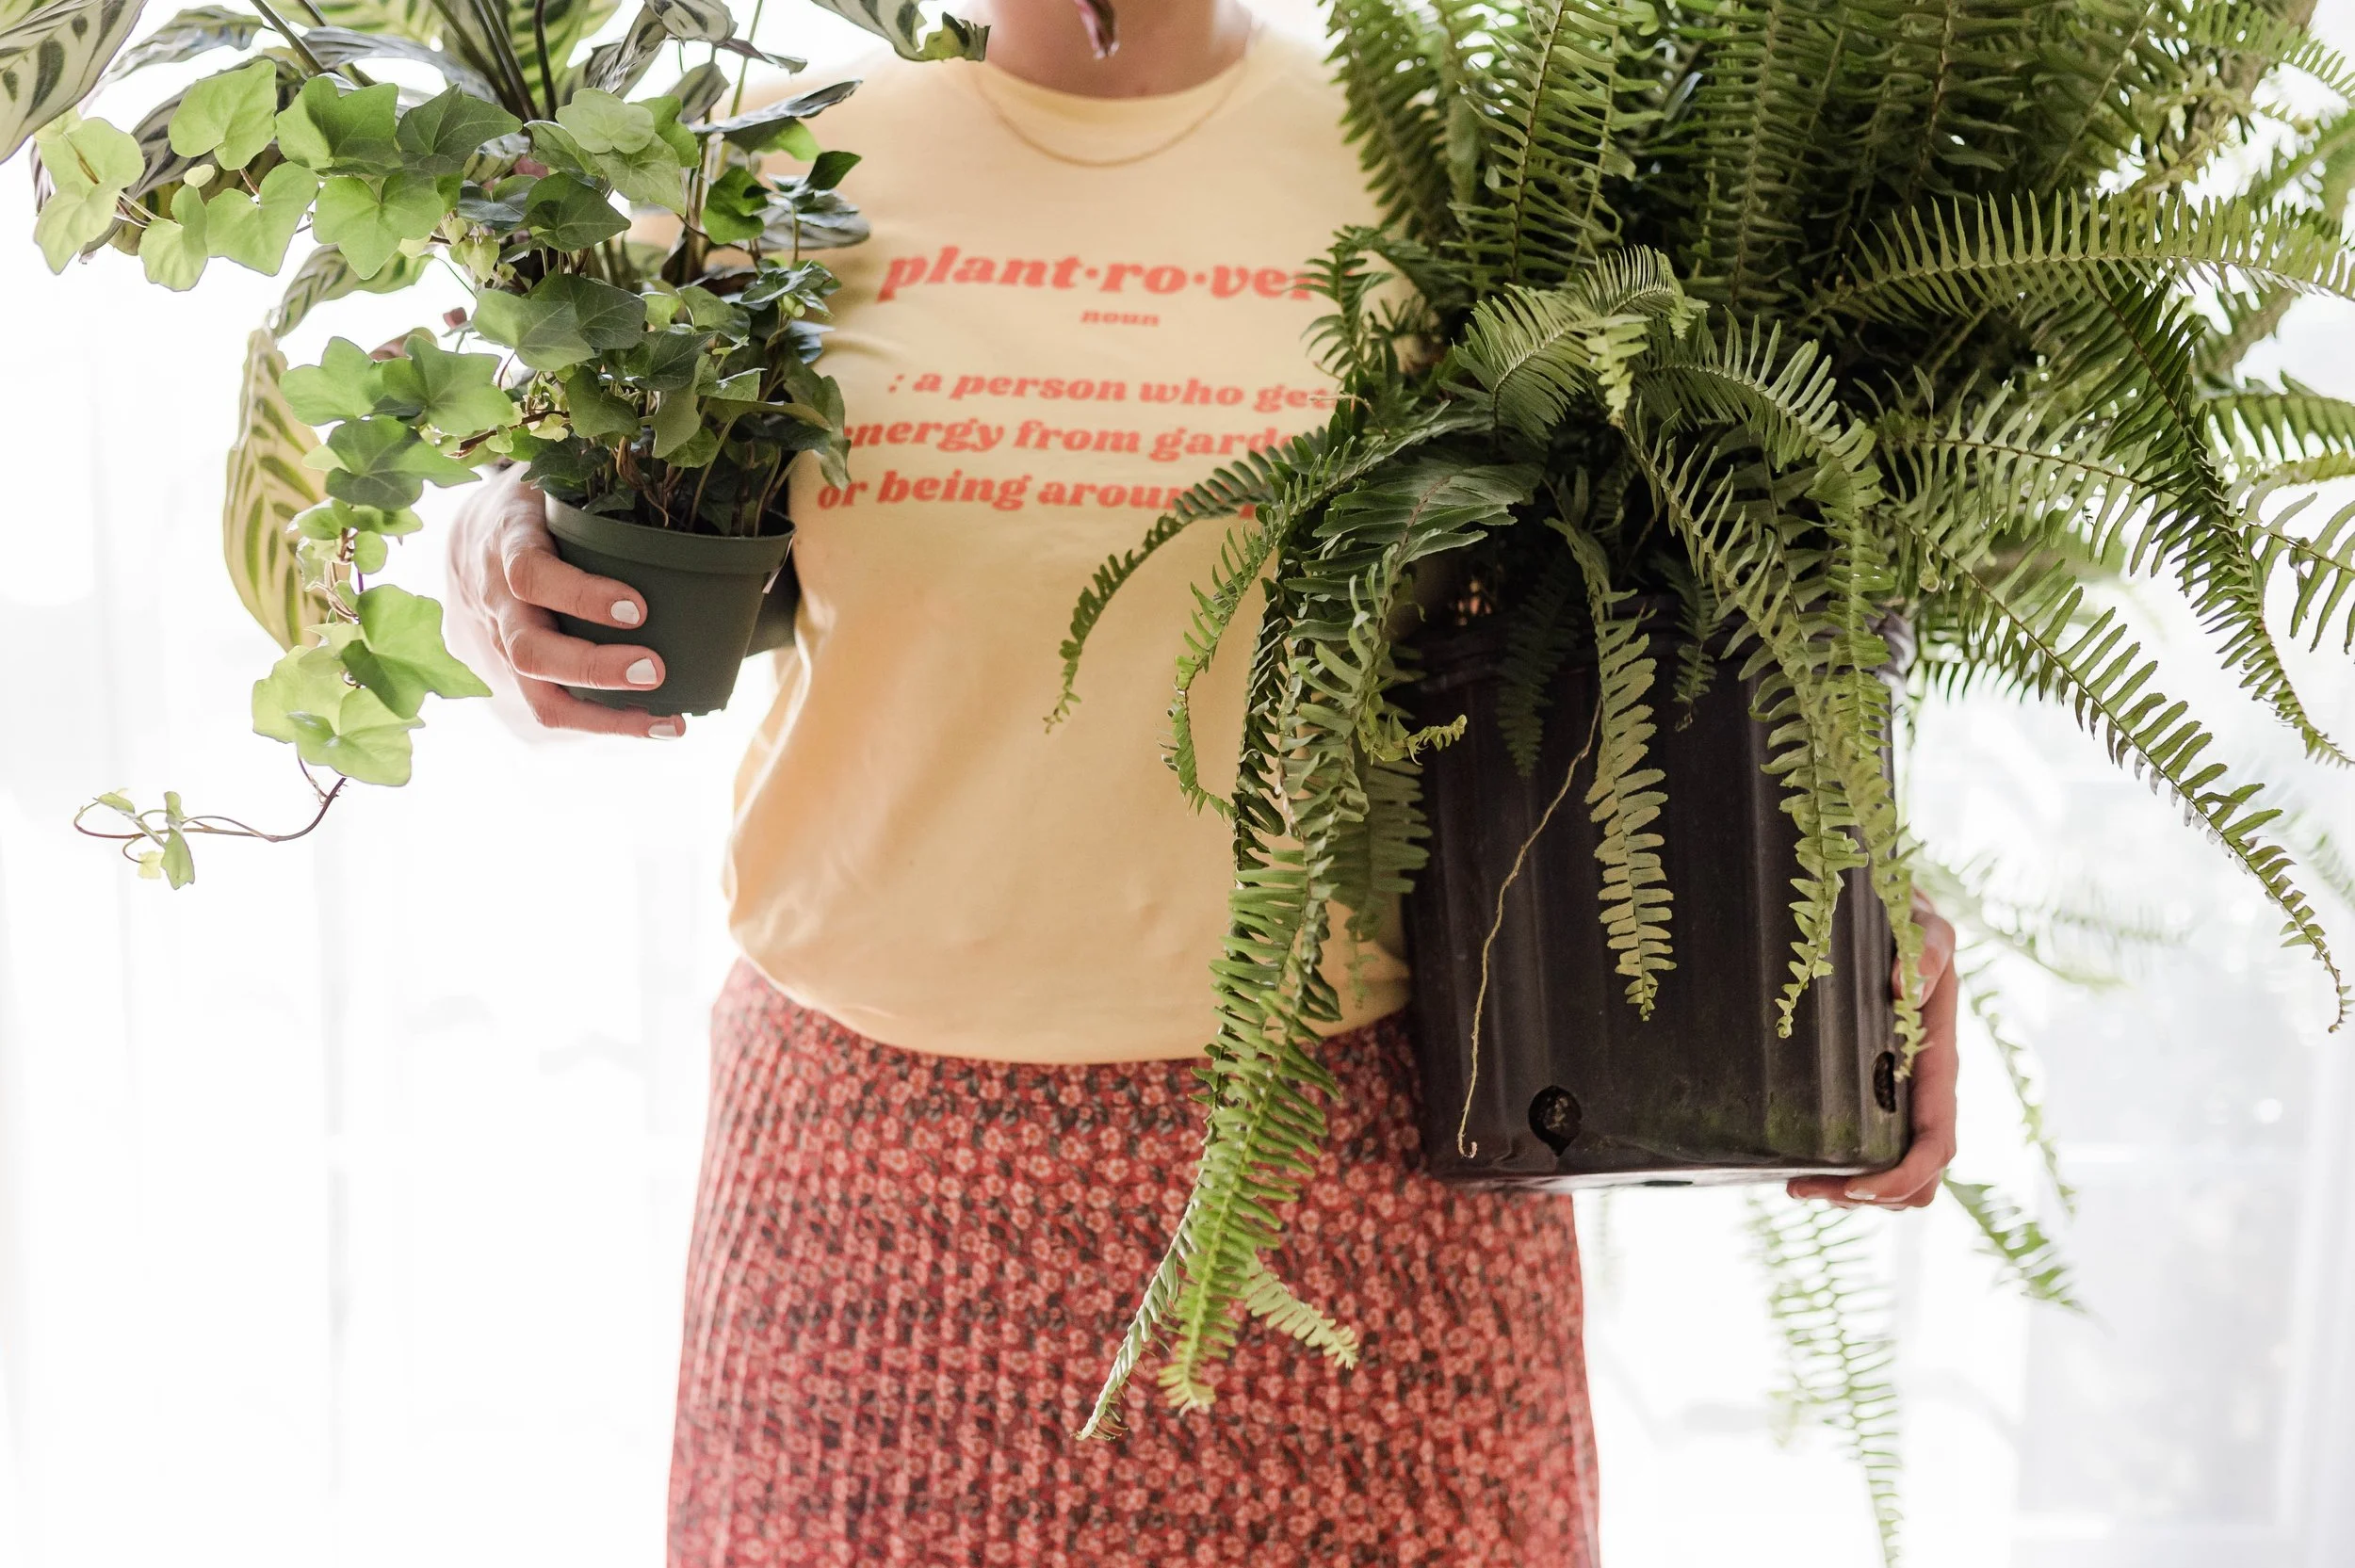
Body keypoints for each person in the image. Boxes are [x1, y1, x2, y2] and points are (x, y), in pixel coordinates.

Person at [443, 0, 1962, 1560]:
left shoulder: (1450, 173)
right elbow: (566, 504)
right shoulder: (763, 164)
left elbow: (1680, 606)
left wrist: (1852, 900)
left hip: (1368, 1158)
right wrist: (486, 554)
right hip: (871, 1169)